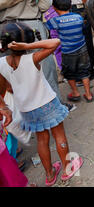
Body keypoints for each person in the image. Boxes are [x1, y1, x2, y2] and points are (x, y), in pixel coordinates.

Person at [0, 23, 83, 186]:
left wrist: (5, 106)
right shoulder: (31, 58)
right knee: (59, 134)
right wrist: (28, 46)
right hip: (47, 103)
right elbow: (55, 42)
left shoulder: (2, 63)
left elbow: (4, 89)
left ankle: (50, 174)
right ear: (25, 41)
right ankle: (67, 168)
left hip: (27, 109)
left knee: (42, 140)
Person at [0, 0, 64, 107]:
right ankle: (54, 109)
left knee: (10, 73)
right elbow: (46, 2)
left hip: (3, 30)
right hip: (31, 27)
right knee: (45, 69)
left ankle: (19, 113)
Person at [47, 0, 94, 103]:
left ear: (54, 7)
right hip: (82, 50)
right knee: (85, 72)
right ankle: (88, 95)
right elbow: (83, 28)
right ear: (70, 5)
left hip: (67, 52)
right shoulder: (78, 17)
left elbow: (47, 26)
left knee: (69, 73)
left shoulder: (56, 21)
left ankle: (75, 93)